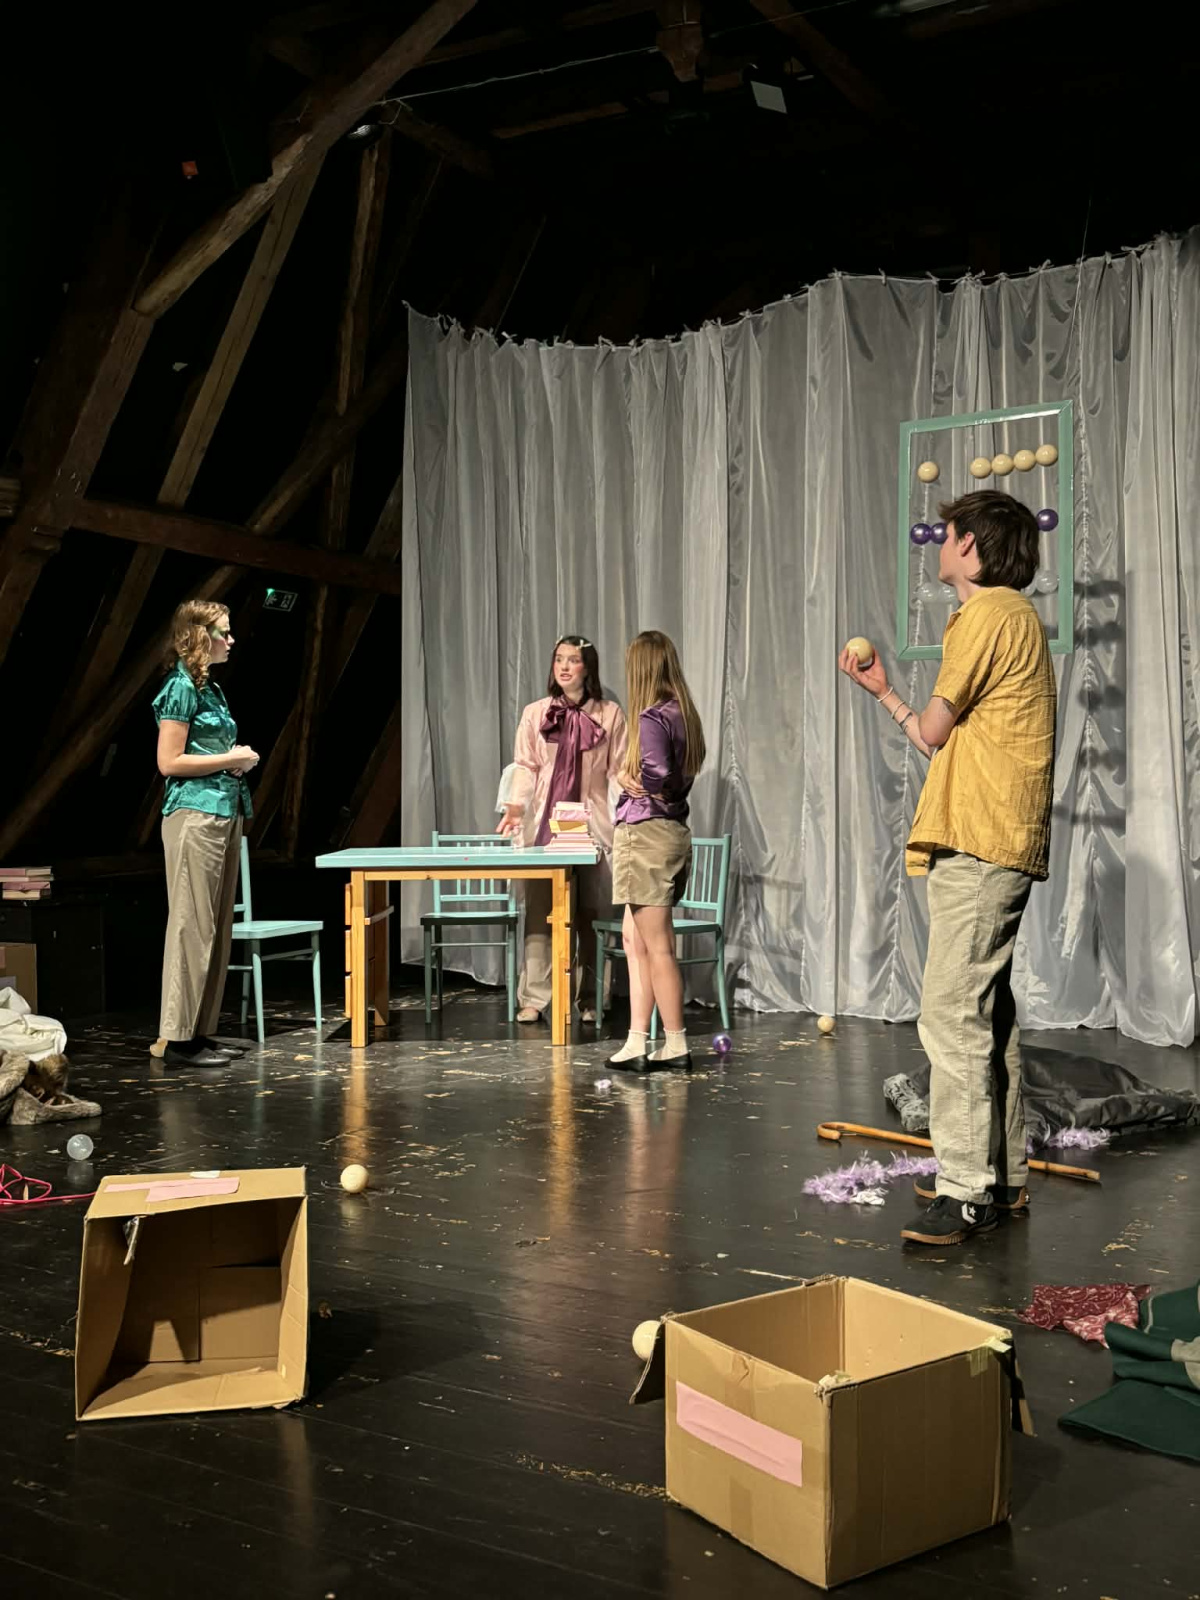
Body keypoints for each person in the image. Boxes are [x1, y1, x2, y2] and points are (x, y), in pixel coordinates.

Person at [839, 490, 1056, 1245]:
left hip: (983, 838)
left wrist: (905, 702)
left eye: (947, 532)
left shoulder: (988, 613)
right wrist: (885, 694)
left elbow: (936, 728)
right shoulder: (1009, 617)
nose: (938, 541)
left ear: (969, 546)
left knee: (951, 1012)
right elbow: (942, 738)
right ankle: (1001, 1172)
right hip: (992, 833)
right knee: (986, 1014)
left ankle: (966, 1191)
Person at [497, 635, 627, 1023]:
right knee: (541, 911)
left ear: (588, 667)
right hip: (546, 823)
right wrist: (516, 807)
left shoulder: (609, 714)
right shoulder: (536, 713)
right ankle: (535, 997)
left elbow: (618, 770)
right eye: (559, 660)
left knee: (591, 912)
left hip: (592, 822)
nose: (565, 667)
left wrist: (625, 816)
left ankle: (591, 996)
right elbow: (525, 765)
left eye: (573, 660)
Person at [152, 601, 259, 1066]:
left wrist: (233, 760)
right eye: (223, 632)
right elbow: (169, 762)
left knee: (214, 926)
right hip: (194, 815)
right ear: (199, 636)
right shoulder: (179, 687)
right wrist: (232, 758)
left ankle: (199, 1030)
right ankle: (177, 1039)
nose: (231, 640)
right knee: (191, 926)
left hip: (223, 811)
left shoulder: (209, 688)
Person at [607, 630, 706, 1072]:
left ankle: (676, 1042)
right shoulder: (682, 712)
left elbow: (658, 770)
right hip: (669, 832)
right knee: (636, 941)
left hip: (647, 834)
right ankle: (637, 1041)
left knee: (658, 946)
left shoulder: (652, 715)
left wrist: (637, 782)